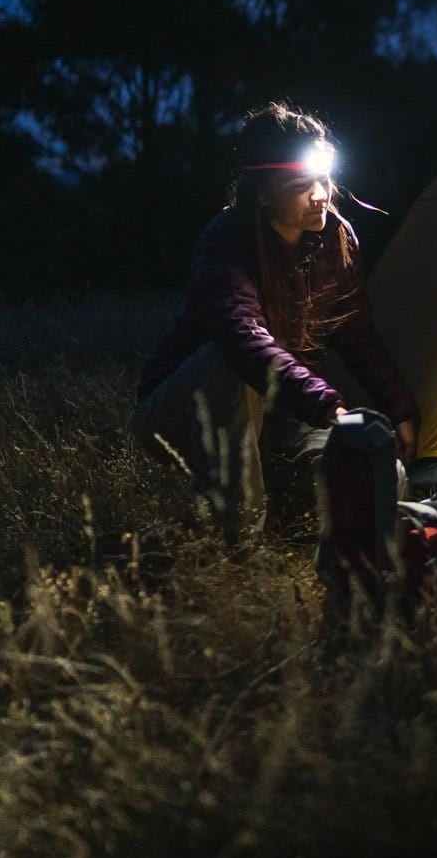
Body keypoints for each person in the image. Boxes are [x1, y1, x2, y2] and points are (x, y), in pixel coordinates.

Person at [132, 101, 419, 548]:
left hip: (280, 414)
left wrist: (399, 409)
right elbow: (246, 341)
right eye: (302, 184)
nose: (321, 194)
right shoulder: (225, 243)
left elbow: (357, 335)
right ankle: (234, 541)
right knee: (227, 364)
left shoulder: (335, 241)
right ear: (262, 193)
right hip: (180, 413)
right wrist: (328, 407)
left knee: (372, 465)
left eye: (325, 179)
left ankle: (308, 525)